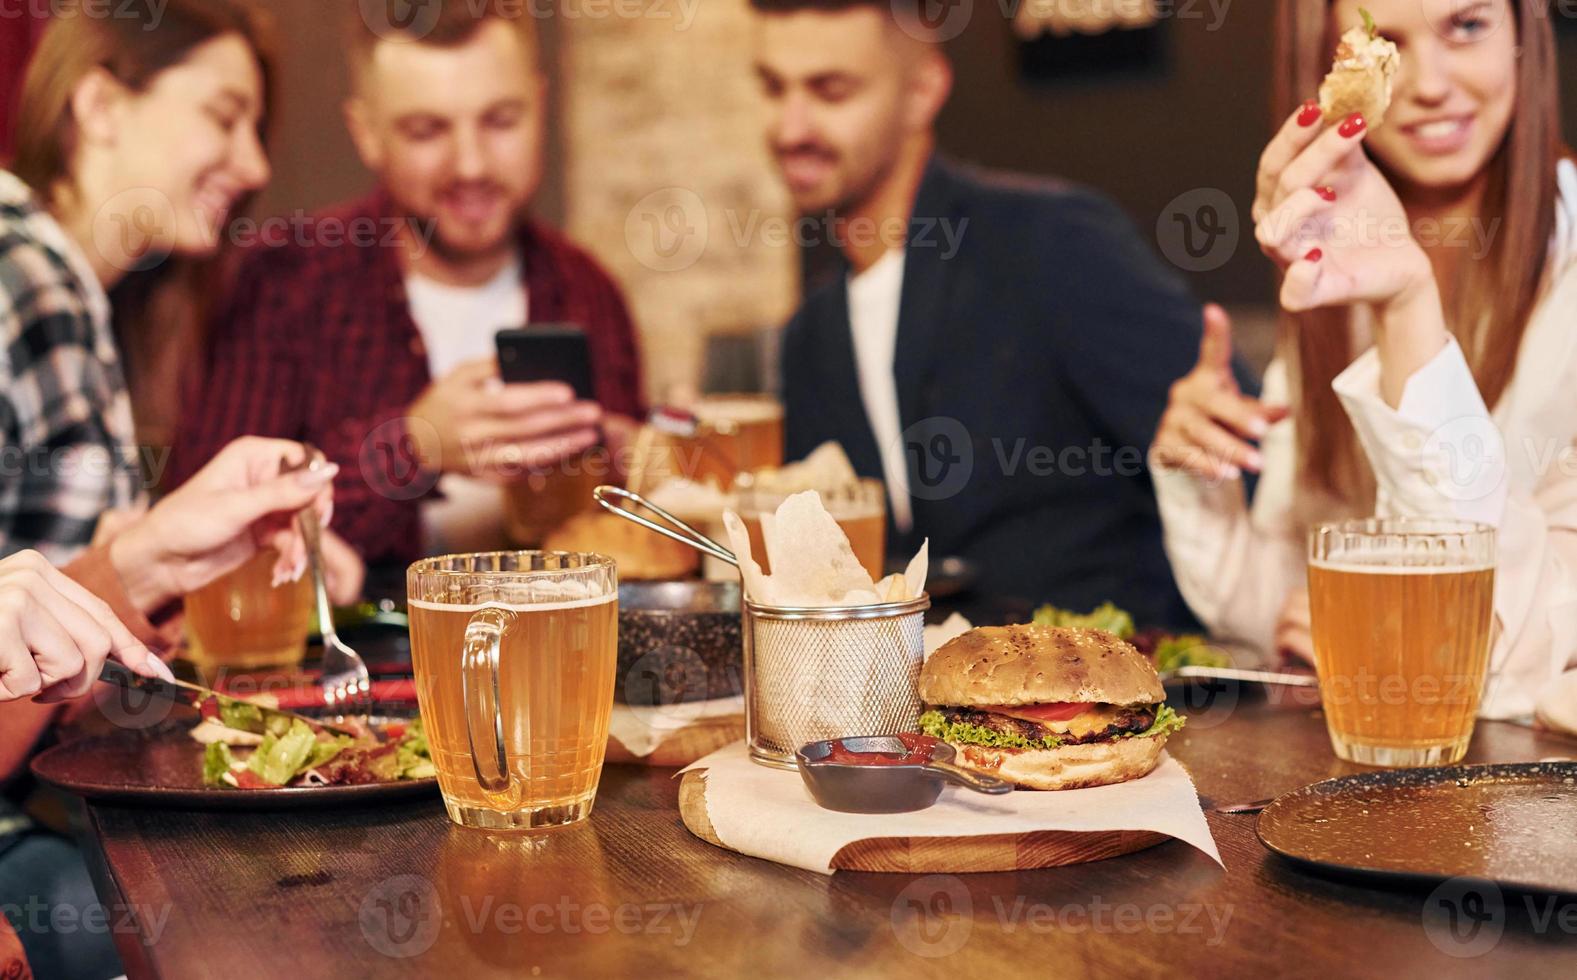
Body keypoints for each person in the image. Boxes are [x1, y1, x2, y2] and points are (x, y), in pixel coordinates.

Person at [752, 0, 1247, 627]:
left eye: (831, 91)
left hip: (1121, 696)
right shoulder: (811, 334)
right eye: (773, 87)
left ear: (923, 90)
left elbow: (1247, 457)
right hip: (922, 711)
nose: (790, 128)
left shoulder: (1051, 241)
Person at [1151, 0, 1577, 720]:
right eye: (1382, 45)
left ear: (1522, 36)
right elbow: (1285, 609)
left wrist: (1407, 308)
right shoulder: (1343, 255)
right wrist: (1201, 474)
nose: (1429, 84)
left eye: (1465, 26)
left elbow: (1513, 647)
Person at [170, 0, 646, 564]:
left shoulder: (589, 289)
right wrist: (413, 447)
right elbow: (199, 531)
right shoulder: (285, 279)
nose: (471, 165)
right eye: (427, 131)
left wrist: (635, 467)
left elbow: (626, 544)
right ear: (366, 134)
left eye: (500, 121)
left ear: (540, 108)